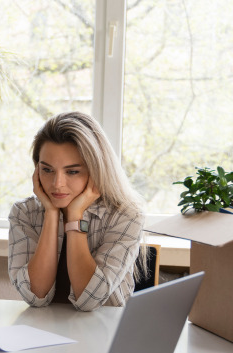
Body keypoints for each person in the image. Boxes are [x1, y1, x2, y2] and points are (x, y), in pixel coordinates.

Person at [8, 111, 146, 311]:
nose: (57, 184)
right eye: (47, 170)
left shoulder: (126, 215)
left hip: (104, 334)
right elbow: (34, 295)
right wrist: (51, 213)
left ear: (97, 170)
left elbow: (90, 299)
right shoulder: (24, 213)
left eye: (72, 171)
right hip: (43, 332)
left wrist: (74, 217)